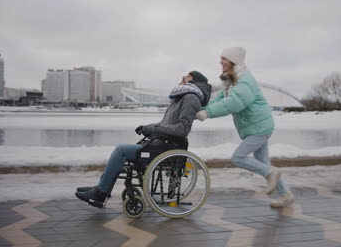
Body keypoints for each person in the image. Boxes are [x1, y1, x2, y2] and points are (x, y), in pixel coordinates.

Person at [75, 71, 212, 207]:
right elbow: (164, 125)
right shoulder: (181, 97)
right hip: (160, 144)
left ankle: (101, 192)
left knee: (121, 150)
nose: (183, 77)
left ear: (195, 81)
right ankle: (101, 187)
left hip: (164, 148)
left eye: (188, 76)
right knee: (123, 151)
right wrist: (147, 127)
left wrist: (153, 129)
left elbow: (183, 129)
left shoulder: (191, 98)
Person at [196, 47, 294, 207]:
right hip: (255, 127)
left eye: (224, 58)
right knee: (263, 163)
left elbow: (235, 102)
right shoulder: (231, 81)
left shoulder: (245, 80)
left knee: (238, 158)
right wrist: (202, 109)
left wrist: (208, 114)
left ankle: (272, 174)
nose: (220, 62)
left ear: (234, 61)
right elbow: (220, 98)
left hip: (259, 127)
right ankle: (286, 195)